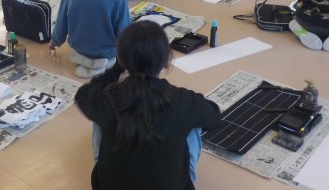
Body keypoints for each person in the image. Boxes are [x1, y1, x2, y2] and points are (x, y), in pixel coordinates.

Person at [75, 20, 221, 190]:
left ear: (121, 59)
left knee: (98, 113)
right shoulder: (183, 100)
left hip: (106, 186)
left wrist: (116, 69)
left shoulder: (107, 97)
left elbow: (83, 94)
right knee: (192, 123)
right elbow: (214, 117)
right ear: (166, 62)